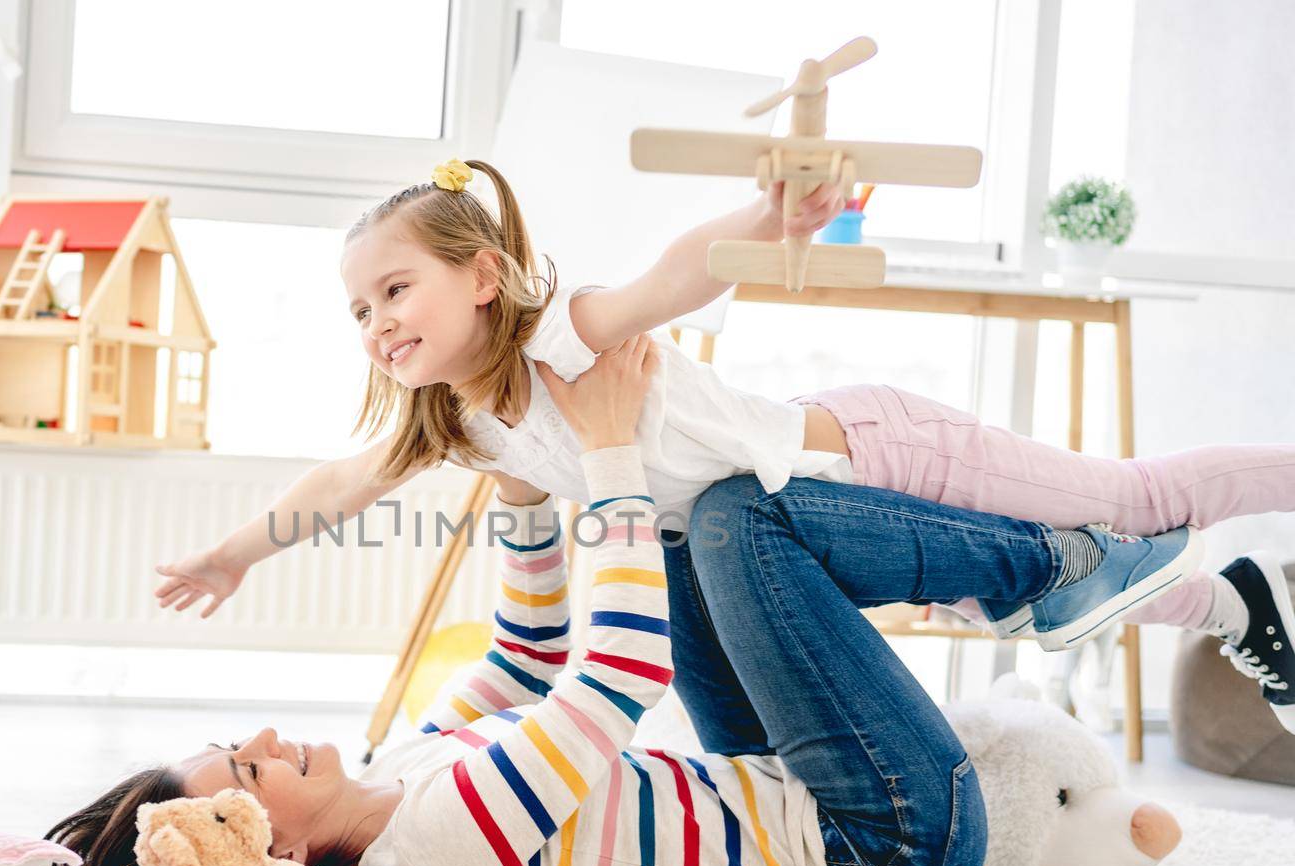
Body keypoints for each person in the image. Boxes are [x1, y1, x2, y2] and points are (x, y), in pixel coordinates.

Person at [51, 335, 1188, 866]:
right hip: (881, 858)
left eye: (235, 745)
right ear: (287, 859)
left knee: (705, 513)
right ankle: (1059, 566)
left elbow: (525, 665)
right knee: (748, 514)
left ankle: (1052, 569)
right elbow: (612, 682)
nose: (262, 737)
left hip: (779, 786)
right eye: (247, 772)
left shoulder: (398, 777)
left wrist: (526, 499)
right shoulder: (429, 861)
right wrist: (603, 459)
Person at [154, 159, 1295, 717]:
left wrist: (767, 221)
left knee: (1130, 504)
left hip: (881, 453)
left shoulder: (567, 338)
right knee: (1022, 595)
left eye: (394, 290)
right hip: (807, 537)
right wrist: (236, 555)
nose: (379, 323)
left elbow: (669, 274)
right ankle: (1244, 603)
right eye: (359, 311)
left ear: (484, 277)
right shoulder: (464, 421)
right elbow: (344, 479)